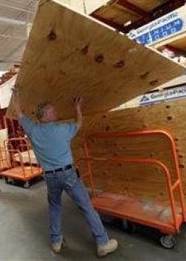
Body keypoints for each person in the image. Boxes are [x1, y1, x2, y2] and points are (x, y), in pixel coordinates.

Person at [12, 88, 118, 257]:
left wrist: (16, 95)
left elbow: (18, 113)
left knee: (54, 207)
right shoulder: (63, 129)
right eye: (52, 111)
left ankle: (56, 241)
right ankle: (103, 243)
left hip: (49, 177)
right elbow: (79, 124)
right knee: (86, 207)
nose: (56, 112)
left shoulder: (32, 130)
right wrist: (77, 108)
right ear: (45, 115)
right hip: (68, 175)